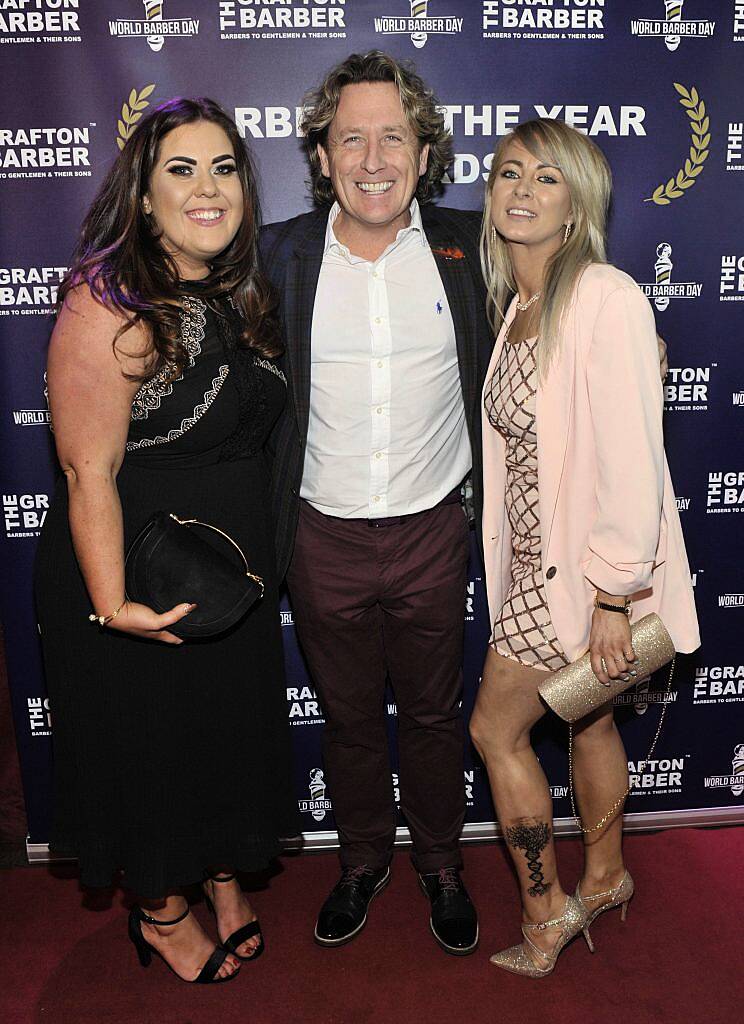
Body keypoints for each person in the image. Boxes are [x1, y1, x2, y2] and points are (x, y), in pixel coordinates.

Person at [34, 97, 298, 984]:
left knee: (220, 737)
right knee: (148, 747)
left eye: (223, 167)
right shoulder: (109, 300)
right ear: (143, 196)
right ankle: (160, 909)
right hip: (131, 570)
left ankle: (224, 876)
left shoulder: (242, 287)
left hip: (228, 575)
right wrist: (115, 607)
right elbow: (86, 472)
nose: (207, 188)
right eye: (180, 170)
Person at [262, 52, 492, 955]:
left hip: (437, 529)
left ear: (425, 151)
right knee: (352, 720)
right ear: (319, 157)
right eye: (348, 137)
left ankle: (440, 863)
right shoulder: (277, 255)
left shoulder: (473, 247)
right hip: (321, 536)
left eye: (392, 135)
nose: (371, 157)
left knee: (435, 716)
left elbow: (565, 300)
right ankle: (361, 858)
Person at [468, 118, 700, 977]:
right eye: (507, 173)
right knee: (591, 717)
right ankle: (605, 877)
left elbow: (636, 459)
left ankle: (546, 911)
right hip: (535, 565)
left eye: (546, 178)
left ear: (578, 203)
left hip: (583, 581)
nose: (521, 189)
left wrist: (613, 598)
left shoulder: (606, 296)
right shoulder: (520, 307)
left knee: (496, 732)